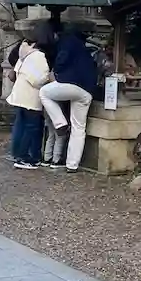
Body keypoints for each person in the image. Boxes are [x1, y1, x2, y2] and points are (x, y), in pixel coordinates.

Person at [39, 22, 99, 172]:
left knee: (44, 92)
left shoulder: (67, 41)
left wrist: (55, 71)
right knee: (79, 128)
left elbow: (61, 61)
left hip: (71, 84)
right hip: (87, 90)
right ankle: (72, 165)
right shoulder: (83, 48)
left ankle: (60, 123)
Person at [6, 33, 51, 169]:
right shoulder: (38, 56)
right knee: (32, 128)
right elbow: (37, 79)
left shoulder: (23, 55)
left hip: (19, 95)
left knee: (20, 126)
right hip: (31, 97)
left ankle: (17, 153)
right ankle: (26, 157)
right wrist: (48, 78)